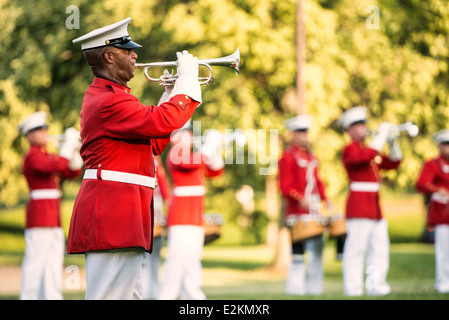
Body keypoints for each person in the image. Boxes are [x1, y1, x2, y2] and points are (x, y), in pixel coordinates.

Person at [67, 17, 203, 300]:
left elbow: (152, 142)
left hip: (122, 209)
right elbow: (162, 122)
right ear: (108, 56)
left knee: (130, 295)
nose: (135, 55)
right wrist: (187, 81)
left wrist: (169, 96)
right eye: (127, 50)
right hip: (113, 210)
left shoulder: (115, 96)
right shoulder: (110, 100)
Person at [18, 111, 82, 300]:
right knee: (35, 264)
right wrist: (68, 147)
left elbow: (72, 172)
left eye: (45, 128)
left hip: (52, 218)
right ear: (29, 136)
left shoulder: (48, 155)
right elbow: (55, 167)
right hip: (40, 218)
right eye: (38, 129)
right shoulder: (32, 156)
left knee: (53, 264)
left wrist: (75, 152)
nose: (45, 131)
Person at [338, 106, 401, 296]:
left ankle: (375, 286)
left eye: (364, 124)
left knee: (379, 248)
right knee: (356, 249)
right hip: (359, 205)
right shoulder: (350, 149)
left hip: (374, 206)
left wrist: (393, 141)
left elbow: (394, 162)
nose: (363, 128)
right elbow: (364, 158)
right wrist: (381, 136)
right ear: (349, 130)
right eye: (358, 125)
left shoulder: (370, 149)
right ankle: (353, 288)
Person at [157, 124, 224, 300]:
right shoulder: (175, 155)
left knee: (193, 260)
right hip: (181, 217)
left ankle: (192, 296)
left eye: (188, 133)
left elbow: (215, 171)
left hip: (194, 217)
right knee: (176, 260)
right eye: (182, 134)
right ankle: (167, 296)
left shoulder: (191, 156)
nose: (188, 137)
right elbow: (199, 161)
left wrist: (216, 149)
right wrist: (210, 145)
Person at [278, 114, 332, 295]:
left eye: (306, 132)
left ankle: (315, 289)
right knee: (299, 253)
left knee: (317, 251)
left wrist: (325, 199)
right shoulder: (287, 156)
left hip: (314, 211)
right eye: (300, 132)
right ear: (292, 134)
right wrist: (301, 199)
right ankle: (296, 289)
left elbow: (317, 180)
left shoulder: (310, 156)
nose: (304, 136)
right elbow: (285, 186)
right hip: (297, 212)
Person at [415, 129, 449, 294]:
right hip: (443, 214)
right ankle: (443, 284)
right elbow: (421, 184)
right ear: (439, 146)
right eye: (446, 144)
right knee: (444, 251)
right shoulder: (433, 164)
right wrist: (437, 190)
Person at [141, 156, 171, 299]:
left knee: (154, 257)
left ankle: (152, 291)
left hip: (156, 216)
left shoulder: (155, 161)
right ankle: (145, 291)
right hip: (142, 214)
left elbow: (164, 189)